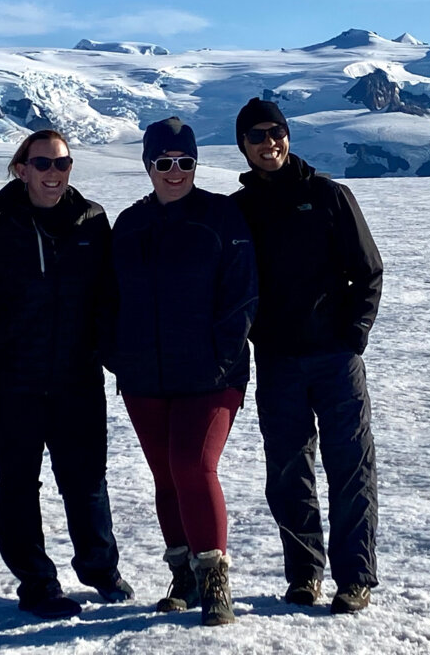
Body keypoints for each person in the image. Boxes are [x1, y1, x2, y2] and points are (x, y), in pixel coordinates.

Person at [231, 98, 383, 614]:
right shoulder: (241, 207)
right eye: (256, 136)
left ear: (288, 136)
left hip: (334, 359)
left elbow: (367, 271)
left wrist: (354, 334)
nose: (268, 142)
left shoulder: (327, 195)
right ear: (243, 146)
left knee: (350, 466)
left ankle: (355, 578)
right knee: (288, 471)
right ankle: (303, 576)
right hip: (277, 359)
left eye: (276, 132)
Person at [108, 117, 258, 626]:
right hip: (145, 376)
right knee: (166, 475)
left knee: (193, 465)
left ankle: (215, 578)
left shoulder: (221, 217)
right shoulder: (129, 223)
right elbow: (107, 298)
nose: (175, 172)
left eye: (185, 162)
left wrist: (222, 357)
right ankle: (184, 575)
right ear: (148, 165)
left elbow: (242, 295)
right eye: (164, 162)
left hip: (211, 375)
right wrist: (119, 355)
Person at [0, 129, 133, 619]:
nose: (53, 173)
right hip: (11, 379)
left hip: (77, 376)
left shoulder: (92, 220)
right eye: (42, 164)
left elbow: (109, 296)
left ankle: (100, 569)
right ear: (21, 168)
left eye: (62, 164)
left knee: (86, 479)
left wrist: (109, 352)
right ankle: (37, 582)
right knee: (19, 482)